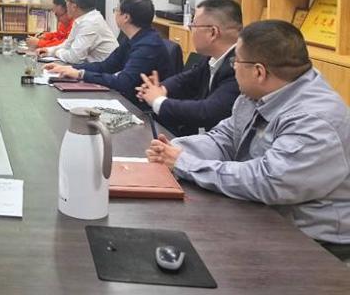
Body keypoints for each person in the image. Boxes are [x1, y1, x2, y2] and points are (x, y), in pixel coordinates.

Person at [146, 20, 350, 254]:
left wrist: (185, 163)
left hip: (316, 246)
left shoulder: (315, 119)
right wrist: (174, 150)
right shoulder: (257, 94)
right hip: (262, 215)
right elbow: (224, 138)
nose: (232, 68)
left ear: (259, 71)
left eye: (236, 61)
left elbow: (268, 181)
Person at [137, 0, 242, 136]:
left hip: (218, 144)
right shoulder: (211, 57)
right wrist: (160, 89)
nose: (190, 29)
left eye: (193, 25)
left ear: (213, 32)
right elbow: (186, 79)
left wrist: (158, 101)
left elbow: (208, 112)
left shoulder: (240, 67)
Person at [45, 0, 173, 99]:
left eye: (116, 10)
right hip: (128, 96)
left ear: (126, 17)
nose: (115, 13)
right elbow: (107, 65)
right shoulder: (133, 38)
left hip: (139, 106)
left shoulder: (148, 46)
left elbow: (123, 82)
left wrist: (80, 74)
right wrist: (71, 68)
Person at [36, 0, 117, 64]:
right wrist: (49, 51)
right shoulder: (81, 19)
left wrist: (57, 52)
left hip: (106, 71)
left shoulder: (91, 22)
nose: (66, 3)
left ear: (74, 6)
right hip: (95, 67)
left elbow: (75, 58)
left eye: (67, 0)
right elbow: (68, 44)